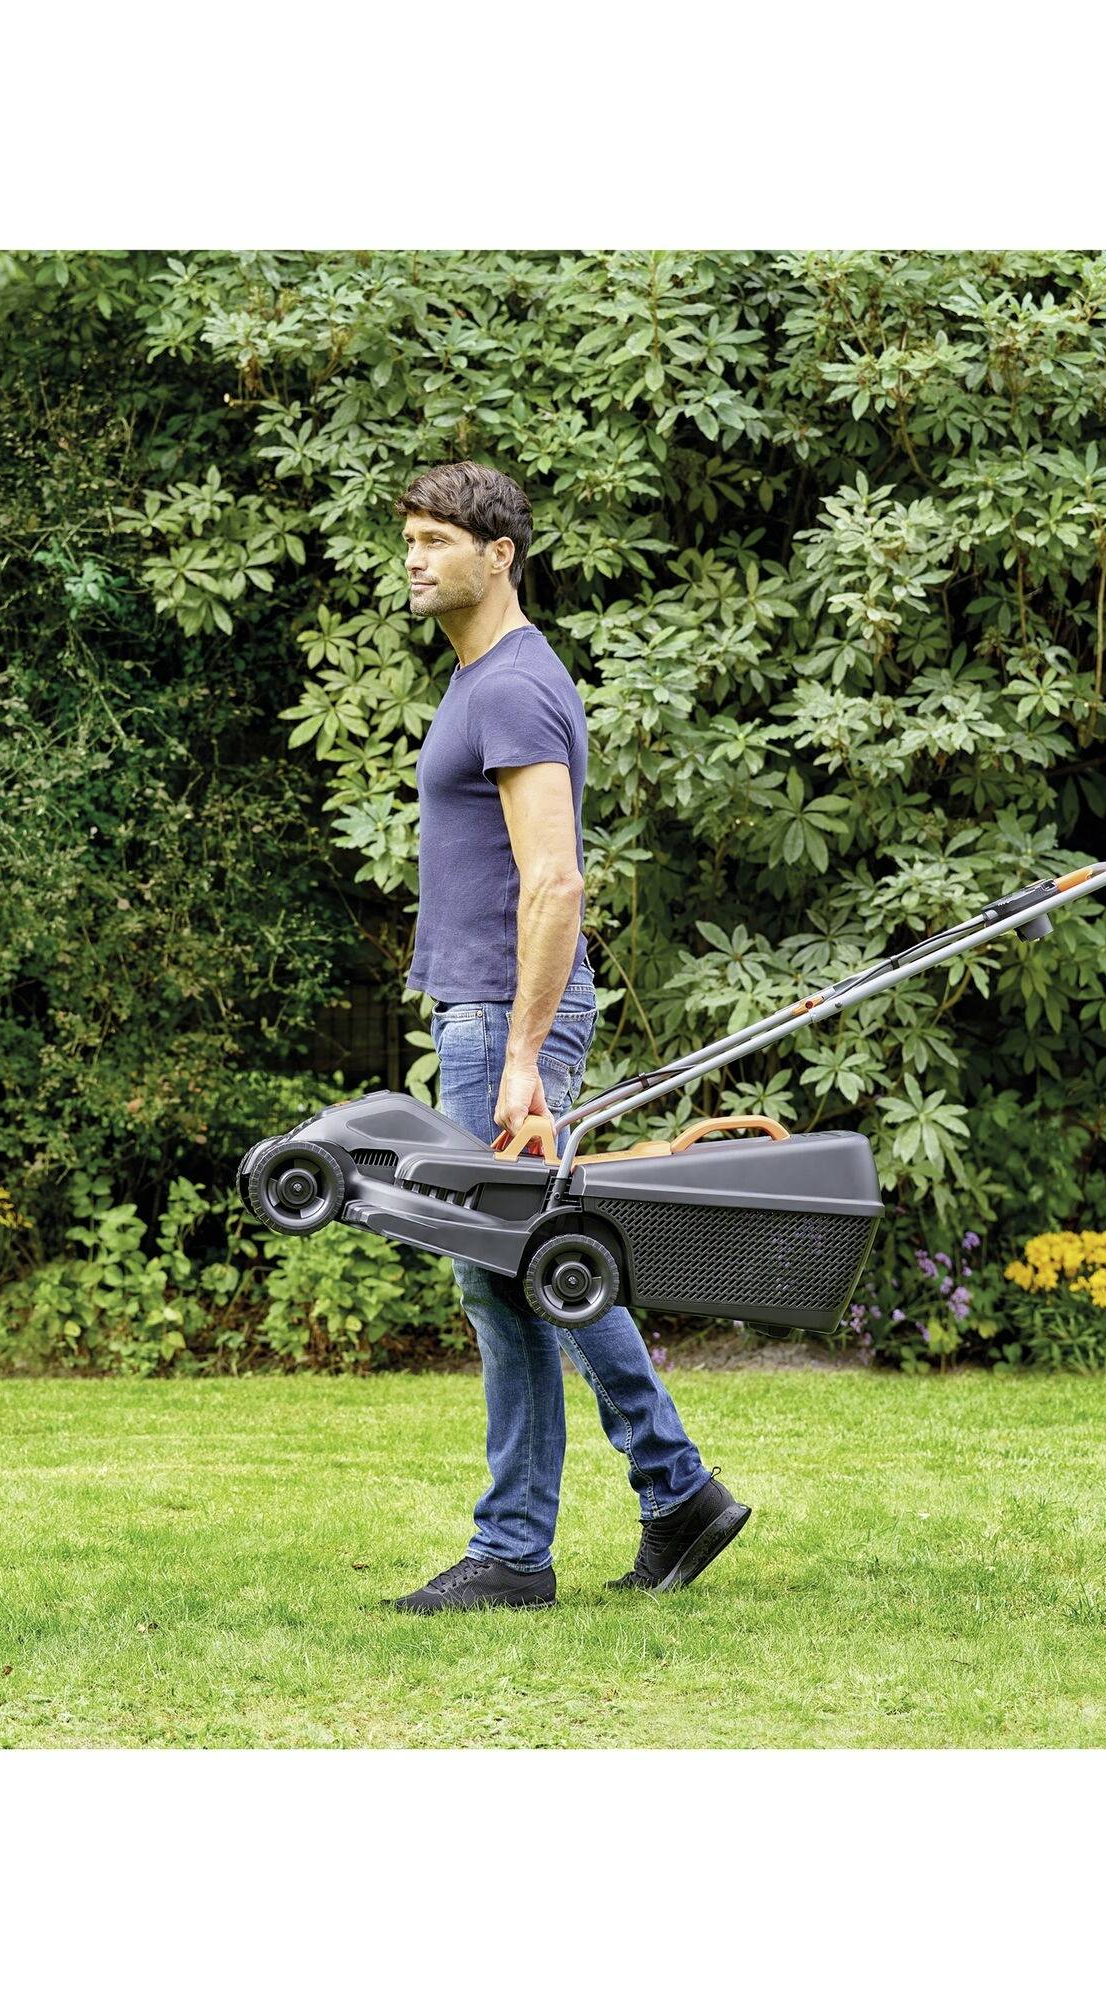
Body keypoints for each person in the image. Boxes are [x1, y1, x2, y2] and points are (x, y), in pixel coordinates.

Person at [387, 459, 750, 1615]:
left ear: (500, 554)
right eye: (409, 538)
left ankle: (516, 1548)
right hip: (489, 1009)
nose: (414, 557)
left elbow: (554, 884)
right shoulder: (483, 679)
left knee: (507, 1275)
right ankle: (671, 1490)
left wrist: (517, 1057)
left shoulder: (509, 688)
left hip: (505, 1011)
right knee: (522, 1266)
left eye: (438, 538)